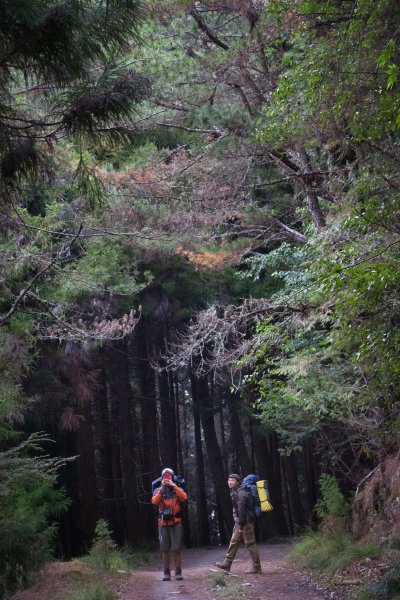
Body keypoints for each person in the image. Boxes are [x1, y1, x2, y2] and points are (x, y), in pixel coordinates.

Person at [215, 473, 262, 574]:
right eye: (229, 480)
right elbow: (236, 509)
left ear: (238, 482)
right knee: (234, 541)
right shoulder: (235, 492)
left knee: (250, 544)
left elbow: (241, 510)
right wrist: (235, 517)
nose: (230, 482)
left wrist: (241, 525)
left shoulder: (241, 493)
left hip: (246, 521)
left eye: (232, 480)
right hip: (240, 521)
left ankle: (257, 567)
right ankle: (227, 563)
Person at [152, 467, 188, 581]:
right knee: (164, 549)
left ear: (172, 477)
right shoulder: (158, 489)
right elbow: (154, 501)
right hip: (163, 523)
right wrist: (162, 489)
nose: (167, 478)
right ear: (162, 477)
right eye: (165, 476)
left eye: (169, 476)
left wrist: (174, 485)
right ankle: (166, 572)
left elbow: (184, 498)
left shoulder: (177, 489)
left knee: (176, 548)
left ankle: (178, 571)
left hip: (176, 522)